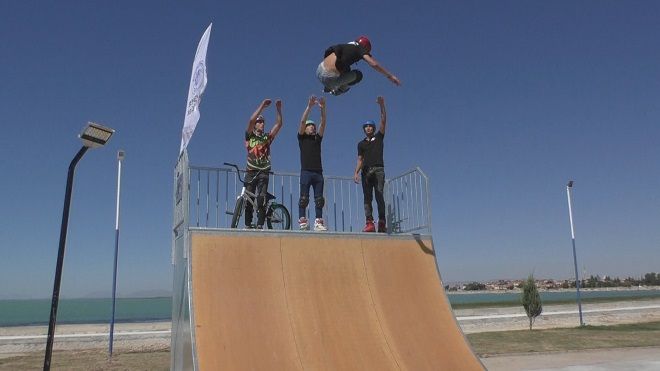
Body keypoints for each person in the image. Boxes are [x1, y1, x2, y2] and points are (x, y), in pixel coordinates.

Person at [244, 98, 283, 229]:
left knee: (261, 198)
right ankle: (248, 224)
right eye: (259, 122)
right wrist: (262, 106)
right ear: (255, 125)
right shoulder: (249, 136)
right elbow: (250, 120)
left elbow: (278, 125)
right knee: (248, 198)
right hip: (250, 171)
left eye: (262, 122)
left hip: (263, 171)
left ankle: (260, 224)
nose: (261, 124)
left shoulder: (266, 137)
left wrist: (278, 110)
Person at [317, 35, 401, 96]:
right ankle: (337, 90)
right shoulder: (360, 49)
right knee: (358, 75)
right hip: (329, 79)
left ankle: (328, 87)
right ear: (365, 48)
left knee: (347, 68)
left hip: (319, 70)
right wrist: (390, 76)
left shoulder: (346, 46)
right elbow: (373, 64)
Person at [354, 96, 387, 233]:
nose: (368, 128)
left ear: (373, 128)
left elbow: (384, 121)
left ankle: (382, 221)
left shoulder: (379, 137)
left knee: (379, 195)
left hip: (378, 169)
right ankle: (369, 222)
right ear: (364, 129)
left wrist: (381, 105)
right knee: (367, 197)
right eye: (366, 126)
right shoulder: (361, 144)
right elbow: (360, 159)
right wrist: (356, 172)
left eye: (370, 126)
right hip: (366, 171)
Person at [297, 95, 327, 231]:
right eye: (310, 126)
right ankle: (303, 220)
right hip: (306, 171)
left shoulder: (317, 139)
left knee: (319, 199)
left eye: (313, 126)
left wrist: (323, 109)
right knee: (304, 197)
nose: (312, 128)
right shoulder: (302, 138)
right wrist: (309, 107)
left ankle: (318, 222)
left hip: (318, 172)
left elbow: (323, 122)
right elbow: (302, 121)